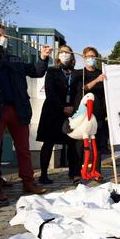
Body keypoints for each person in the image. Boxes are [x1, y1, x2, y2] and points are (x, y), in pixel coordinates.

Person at [0, 23, 51, 206]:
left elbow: (36, 71)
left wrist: (43, 58)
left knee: (23, 149)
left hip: (18, 109)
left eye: (2, 35)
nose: (0, 38)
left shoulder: (15, 59)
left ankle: (28, 182)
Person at [37, 45, 80, 184]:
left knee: (72, 143)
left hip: (71, 112)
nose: (64, 54)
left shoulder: (76, 73)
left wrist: (72, 107)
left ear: (72, 56)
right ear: (58, 55)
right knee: (48, 143)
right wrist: (62, 107)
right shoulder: (52, 71)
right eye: (62, 52)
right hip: (53, 111)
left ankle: (74, 173)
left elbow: (78, 92)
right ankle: (43, 175)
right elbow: (50, 92)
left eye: (67, 52)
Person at [72, 47, 107, 181]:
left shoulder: (102, 73)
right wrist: (96, 81)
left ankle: (96, 171)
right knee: (80, 145)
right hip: (82, 116)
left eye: (93, 56)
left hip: (98, 115)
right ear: (84, 58)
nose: (91, 59)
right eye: (88, 56)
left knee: (97, 145)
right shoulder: (79, 74)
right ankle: (78, 172)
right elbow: (83, 89)